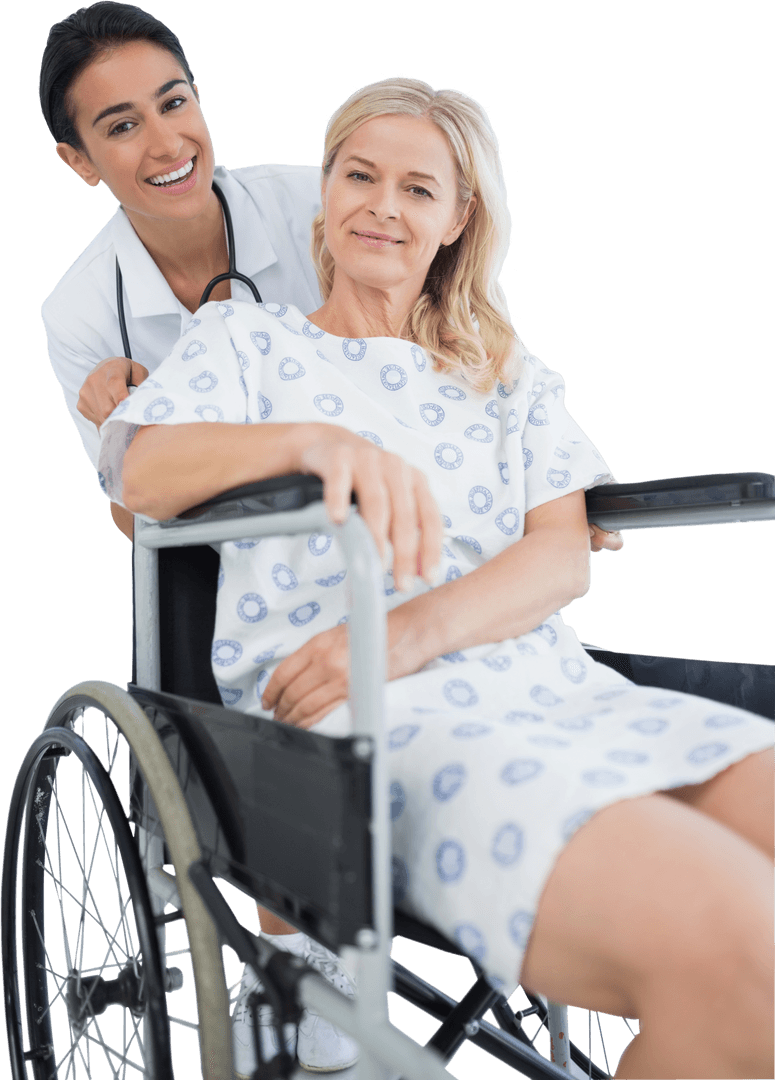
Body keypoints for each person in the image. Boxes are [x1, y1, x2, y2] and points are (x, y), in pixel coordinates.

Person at [99, 75, 775, 1079]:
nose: (382, 203)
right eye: (359, 175)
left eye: (418, 188)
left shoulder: (501, 368)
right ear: (323, 194)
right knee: (743, 958)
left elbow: (559, 556)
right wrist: (316, 440)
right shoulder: (247, 341)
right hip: (365, 709)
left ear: (460, 217)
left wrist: (418, 630)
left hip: (550, 686)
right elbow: (141, 472)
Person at [38, 3, 362, 1070]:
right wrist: (127, 412)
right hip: (228, 583)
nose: (167, 142)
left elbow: (434, 352)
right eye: (121, 125)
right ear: (79, 161)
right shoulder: (81, 311)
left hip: (380, 534)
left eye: (175, 102)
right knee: (281, 728)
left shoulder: (317, 208)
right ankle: (313, 1023)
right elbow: (135, 518)